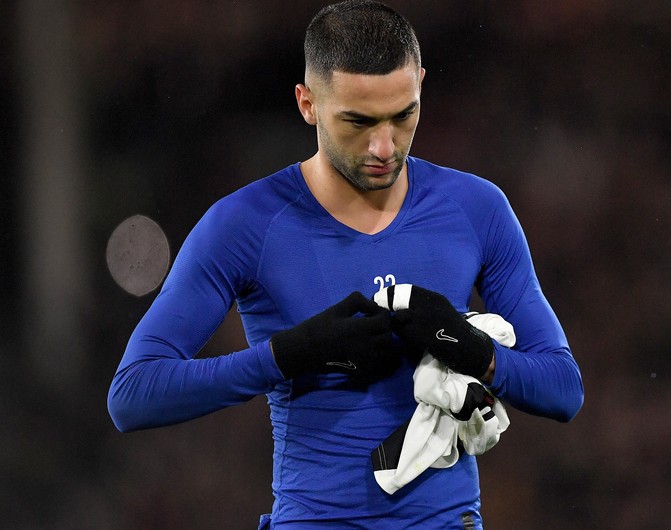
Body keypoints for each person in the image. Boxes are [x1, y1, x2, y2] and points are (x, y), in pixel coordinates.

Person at [107, 1, 584, 528]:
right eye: (358, 121)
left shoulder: (476, 208)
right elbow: (133, 396)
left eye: (404, 115)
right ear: (307, 104)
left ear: (421, 84)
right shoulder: (244, 224)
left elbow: (564, 389)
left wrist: (473, 350)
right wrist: (287, 356)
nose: (385, 146)